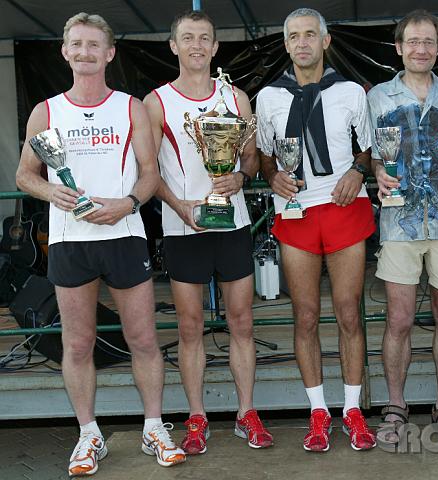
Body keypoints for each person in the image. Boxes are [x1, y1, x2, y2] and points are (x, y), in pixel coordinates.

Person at [15, 12, 185, 477]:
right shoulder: (46, 111)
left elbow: (151, 173)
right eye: (77, 44)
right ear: (65, 51)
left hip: (124, 235)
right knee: (77, 344)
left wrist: (128, 203)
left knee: (144, 339)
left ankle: (154, 426)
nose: (85, 53)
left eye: (94, 45)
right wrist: (52, 191)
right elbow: (24, 174)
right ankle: (89, 435)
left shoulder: (129, 107)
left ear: (109, 53)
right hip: (71, 242)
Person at [143, 10, 272, 453]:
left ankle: (246, 413)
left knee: (241, 321)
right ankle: (197, 417)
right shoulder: (155, 103)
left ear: (216, 47)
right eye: (187, 38)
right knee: (190, 326)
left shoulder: (236, 98)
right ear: (173, 46)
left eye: (205, 38)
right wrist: (180, 208)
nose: (196, 45)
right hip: (183, 230)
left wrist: (239, 178)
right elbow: (147, 173)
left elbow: (251, 160)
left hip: (231, 224)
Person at [256, 7, 376, 452]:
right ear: (285, 44)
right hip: (296, 212)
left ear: (325, 42)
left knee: (348, 313)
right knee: (304, 316)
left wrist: (357, 173)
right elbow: (266, 156)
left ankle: (352, 411)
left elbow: (367, 149)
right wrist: (272, 177)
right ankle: (318, 413)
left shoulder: (350, 91)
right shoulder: (268, 96)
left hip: (345, 208)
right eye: (293, 36)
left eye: (311, 34)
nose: (302, 42)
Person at [366, 9, 438, 445]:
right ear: (398, 47)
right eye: (412, 41)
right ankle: (396, 404)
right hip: (399, 223)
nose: (420, 49)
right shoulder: (376, 98)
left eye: (428, 41)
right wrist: (377, 172)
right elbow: (372, 154)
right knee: (400, 319)